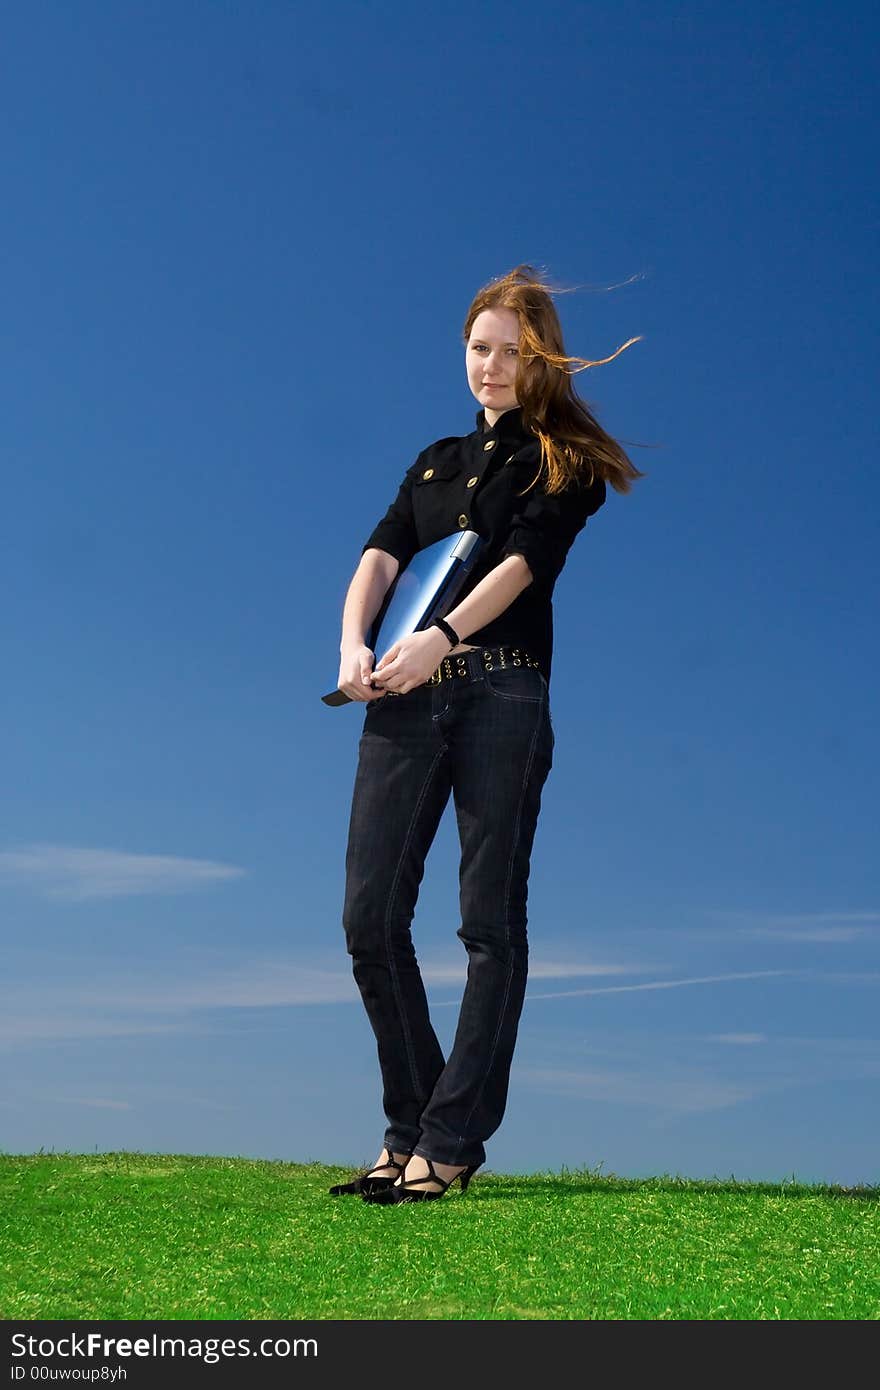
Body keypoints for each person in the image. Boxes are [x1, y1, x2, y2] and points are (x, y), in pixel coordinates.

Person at [329, 264, 643, 1204]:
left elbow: (523, 566)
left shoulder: (565, 459)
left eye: (513, 352)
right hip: (398, 698)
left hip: (500, 695)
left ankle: (451, 1141)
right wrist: (353, 643)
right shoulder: (432, 459)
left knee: (486, 926)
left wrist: (440, 637)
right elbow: (381, 552)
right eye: (480, 349)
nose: (493, 367)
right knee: (368, 919)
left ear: (542, 358)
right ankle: (411, 1125)